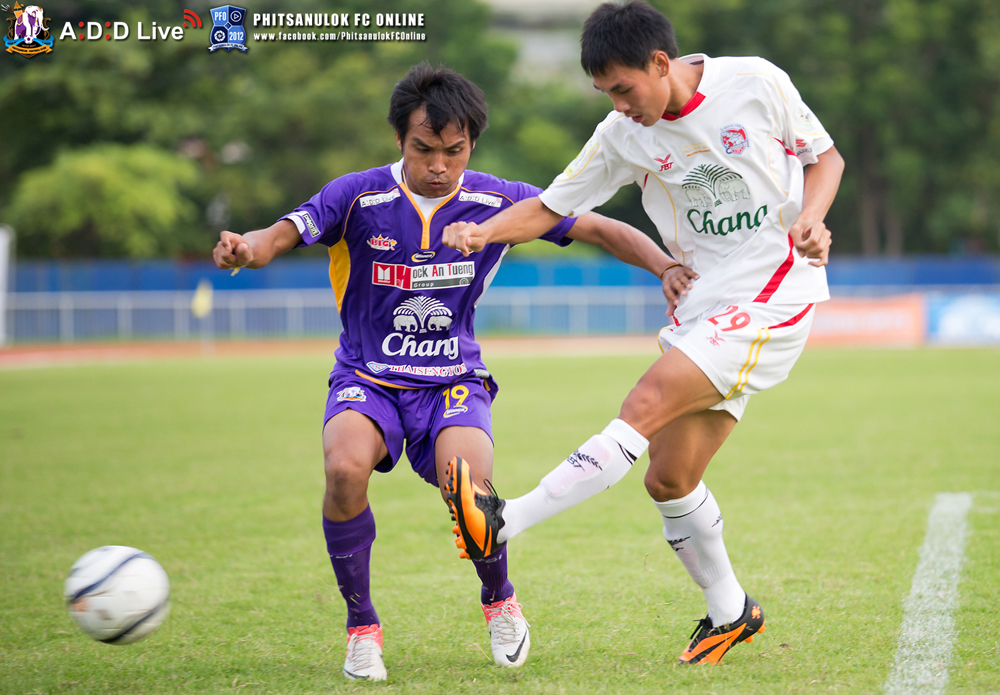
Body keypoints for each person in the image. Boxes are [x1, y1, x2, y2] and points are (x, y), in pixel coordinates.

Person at [212, 63, 677, 681]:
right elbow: (278, 236)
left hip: (453, 379)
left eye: (453, 151)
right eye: (423, 149)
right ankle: (361, 628)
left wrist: (666, 267)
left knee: (469, 488)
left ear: (472, 144)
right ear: (399, 140)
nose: (438, 165)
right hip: (367, 377)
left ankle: (499, 600)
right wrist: (246, 249)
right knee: (344, 470)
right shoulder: (356, 196)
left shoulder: (499, 201)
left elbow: (598, 227)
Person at [442, 0, 844, 666]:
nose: (619, 105)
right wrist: (484, 233)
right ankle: (731, 610)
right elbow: (550, 207)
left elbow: (824, 159)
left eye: (624, 89)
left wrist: (814, 218)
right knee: (669, 477)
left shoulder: (756, 81)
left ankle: (505, 520)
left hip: (774, 293)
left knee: (643, 404)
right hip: (702, 304)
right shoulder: (621, 134)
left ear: (661, 63)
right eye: (606, 93)